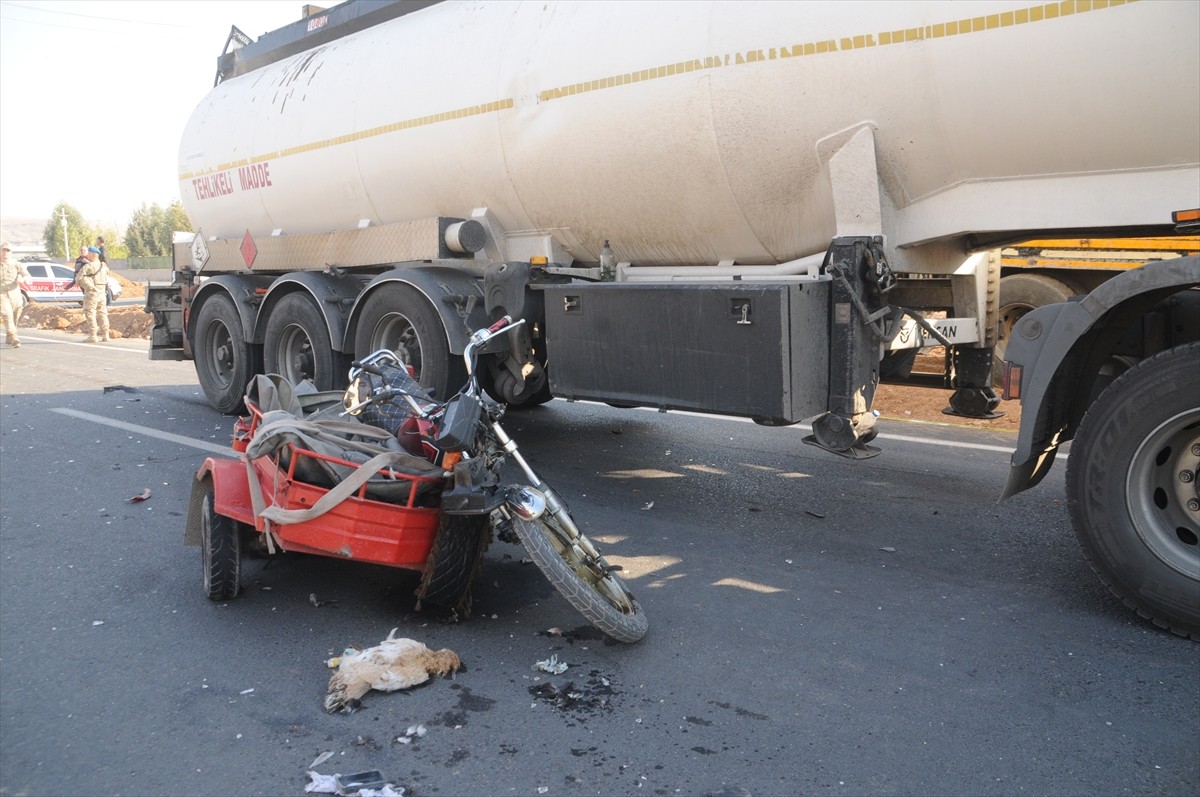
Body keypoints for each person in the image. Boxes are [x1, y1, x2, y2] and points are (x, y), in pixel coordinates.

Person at [1, 241, 31, 348]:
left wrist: (24, 279)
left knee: (15, 315)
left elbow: (26, 275)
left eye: (7, 250)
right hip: (1, 294)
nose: (5, 253)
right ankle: (14, 338)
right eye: (3, 250)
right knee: (6, 314)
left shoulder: (16, 264)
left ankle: (9, 336)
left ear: (11, 253)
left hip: (15, 294)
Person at [77, 246, 110, 343]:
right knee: (103, 313)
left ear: (92, 255)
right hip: (102, 293)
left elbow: (78, 278)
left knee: (90, 313)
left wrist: (87, 285)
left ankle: (93, 335)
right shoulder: (104, 266)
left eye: (89, 253)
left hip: (92, 293)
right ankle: (106, 335)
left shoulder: (89, 266)